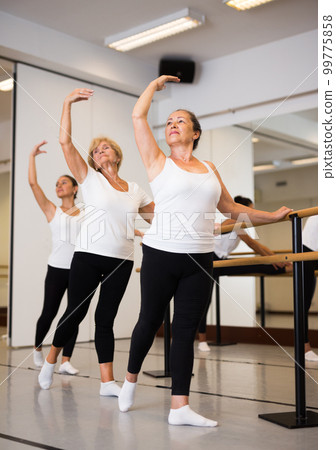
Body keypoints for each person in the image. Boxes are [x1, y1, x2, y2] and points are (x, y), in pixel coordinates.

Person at [118, 75, 292, 427]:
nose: (172, 125)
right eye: (169, 121)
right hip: (161, 254)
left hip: (200, 257)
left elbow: (230, 208)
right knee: (149, 322)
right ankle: (129, 380)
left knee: (185, 330)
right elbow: (138, 117)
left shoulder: (210, 168)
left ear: (195, 133)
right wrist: (153, 86)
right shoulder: (157, 162)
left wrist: (271, 216)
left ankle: (180, 407)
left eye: (180, 120)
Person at [38, 88, 154, 395]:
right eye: (96, 150)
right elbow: (65, 141)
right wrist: (66, 103)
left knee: (106, 319)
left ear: (117, 154)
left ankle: (107, 383)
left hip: (123, 259)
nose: (100, 152)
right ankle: (51, 360)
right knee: (76, 311)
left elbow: (159, 219)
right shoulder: (90, 179)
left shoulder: (135, 189)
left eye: (105, 148)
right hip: (88, 255)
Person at [198, 195, 292, 352]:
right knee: (205, 300)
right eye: (250, 209)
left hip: (223, 261)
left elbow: (257, 245)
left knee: (258, 265)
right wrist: (274, 258)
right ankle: (201, 339)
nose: (252, 212)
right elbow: (253, 244)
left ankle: (287, 266)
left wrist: (278, 258)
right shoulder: (231, 222)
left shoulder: (240, 226)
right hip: (210, 261)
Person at [29, 141, 81, 375]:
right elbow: (33, 183)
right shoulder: (52, 210)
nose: (58, 186)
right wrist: (32, 156)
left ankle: (66, 360)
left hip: (80, 270)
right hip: (57, 269)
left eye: (64, 182)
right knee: (49, 312)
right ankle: (38, 348)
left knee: (73, 314)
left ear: (75, 188)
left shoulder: (87, 212)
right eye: (57, 184)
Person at [302, 215, 318, 361]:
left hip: (313, 254)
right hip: (305, 254)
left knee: (304, 304)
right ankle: (305, 348)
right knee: (303, 304)